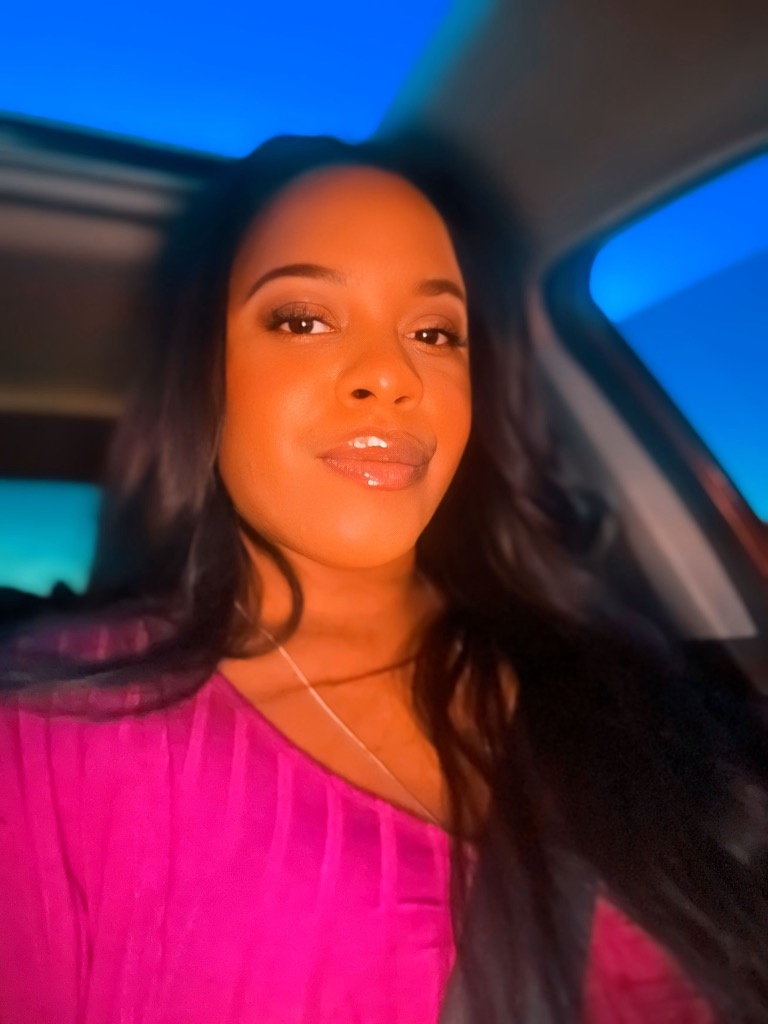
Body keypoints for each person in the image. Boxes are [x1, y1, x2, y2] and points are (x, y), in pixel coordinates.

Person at [0, 132, 766, 1024]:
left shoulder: (619, 682)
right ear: (204, 375)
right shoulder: (52, 728)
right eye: (303, 319)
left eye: (435, 332)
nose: (390, 375)